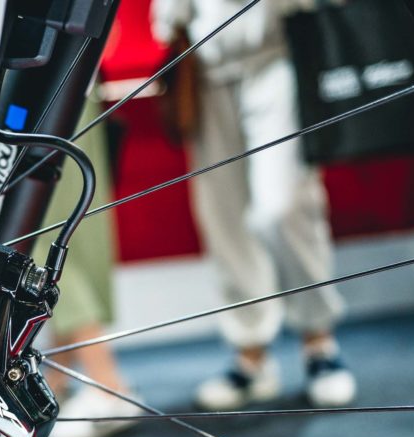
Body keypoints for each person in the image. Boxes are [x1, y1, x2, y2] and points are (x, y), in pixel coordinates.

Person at [152, 0, 357, 411]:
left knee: (283, 208)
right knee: (224, 219)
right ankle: (251, 353)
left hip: (277, 54)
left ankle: (318, 340)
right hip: (204, 66)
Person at [40, 98, 143, 437]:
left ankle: (108, 386)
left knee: (48, 236)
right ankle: (57, 380)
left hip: (45, 93)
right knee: (68, 235)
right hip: (63, 90)